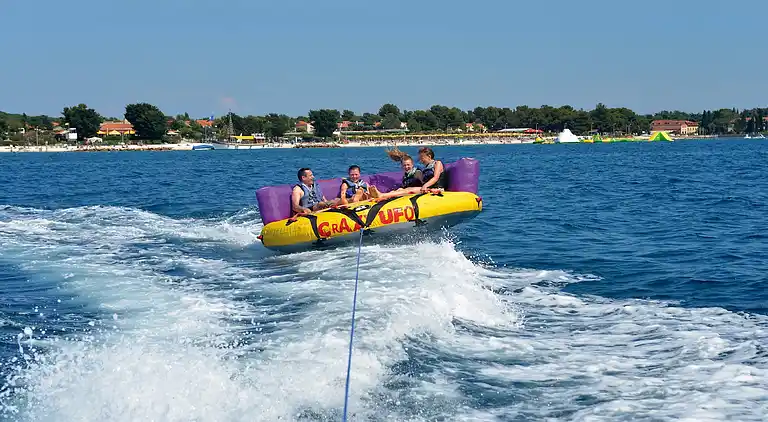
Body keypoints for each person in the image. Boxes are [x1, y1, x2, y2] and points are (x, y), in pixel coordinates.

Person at [372, 147, 439, 201]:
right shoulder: (409, 174)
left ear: (429, 156)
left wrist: (425, 186)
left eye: (422, 158)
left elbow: (433, 178)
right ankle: (379, 197)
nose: (420, 160)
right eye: (404, 165)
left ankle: (381, 195)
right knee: (399, 190)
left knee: (408, 189)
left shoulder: (419, 171)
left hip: (423, 190)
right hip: (419, 190)